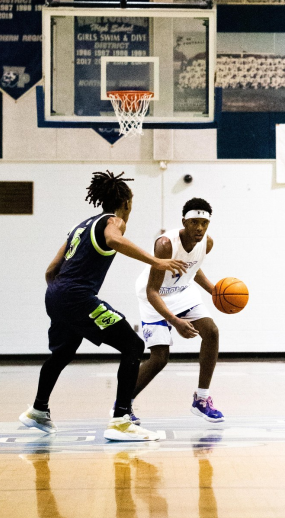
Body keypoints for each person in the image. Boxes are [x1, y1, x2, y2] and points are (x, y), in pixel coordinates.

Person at [19, 170, 188, 442]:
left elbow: (51, 269)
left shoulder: (80, 227)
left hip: (56, 294)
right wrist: (156, 261)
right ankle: (121, 420)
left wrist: (60, 296)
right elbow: (113, 239)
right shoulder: (114, 221)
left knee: (62, 354)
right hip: (76, 296)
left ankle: (38, 409)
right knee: (133, 345)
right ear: (126, 204)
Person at [133, 198, 224, 423]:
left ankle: (201, 399)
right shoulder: (165, 244)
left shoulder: (207, 243)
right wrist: (175, 321)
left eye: (204, 223)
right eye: (194, 222)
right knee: (160, 358)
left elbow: (192, 267)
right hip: (154, 296)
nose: (200, 228)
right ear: (184, 221)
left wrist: (214, 290)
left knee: (211, 332)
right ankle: (123, 403)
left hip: (182, 292)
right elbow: (152, 290)